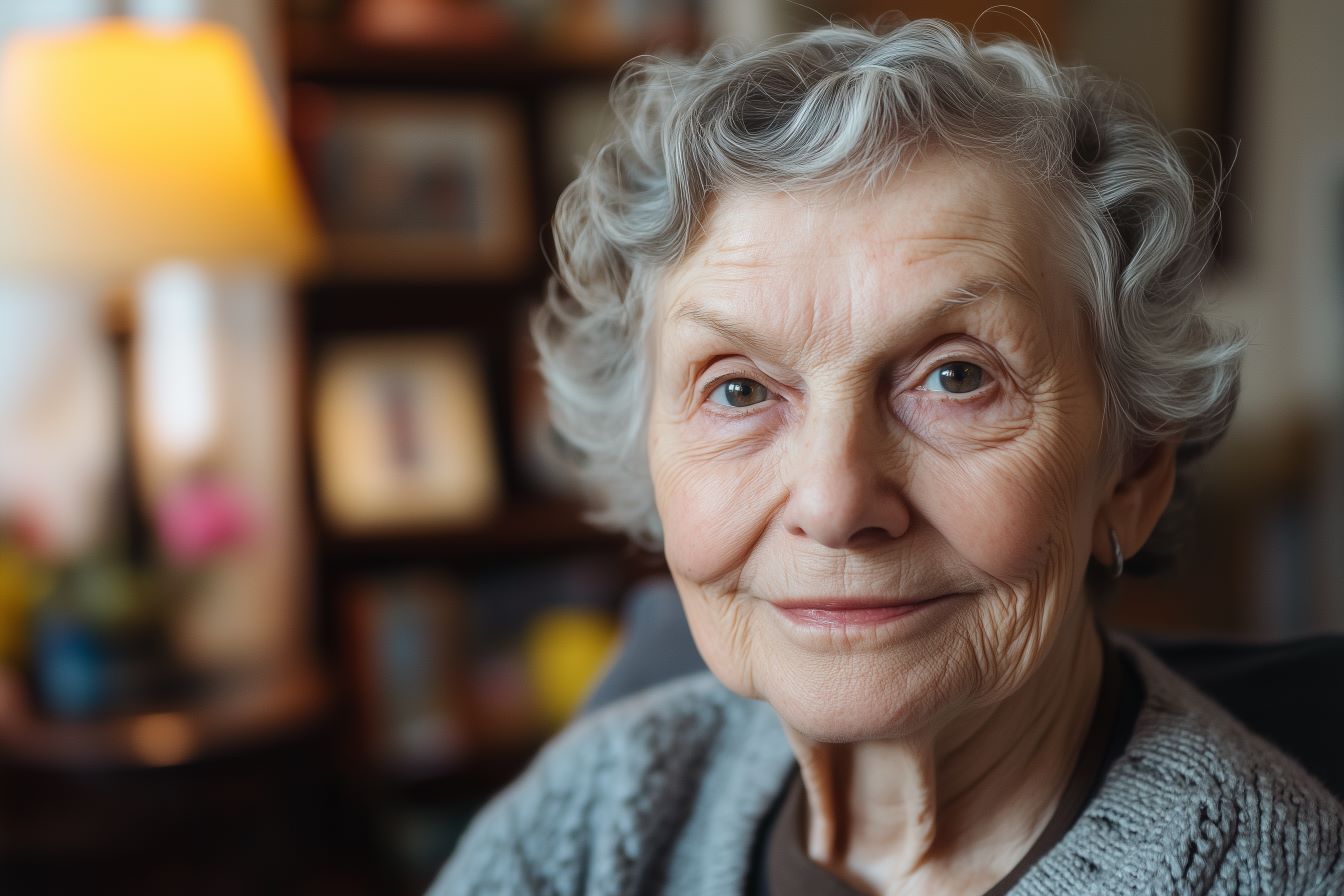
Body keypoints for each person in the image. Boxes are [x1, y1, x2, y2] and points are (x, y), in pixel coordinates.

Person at [431, 18, 1344, 895]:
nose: (834, 502)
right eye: (740, 390)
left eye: (955, 378)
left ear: (1133, 469)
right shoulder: (591, 816)